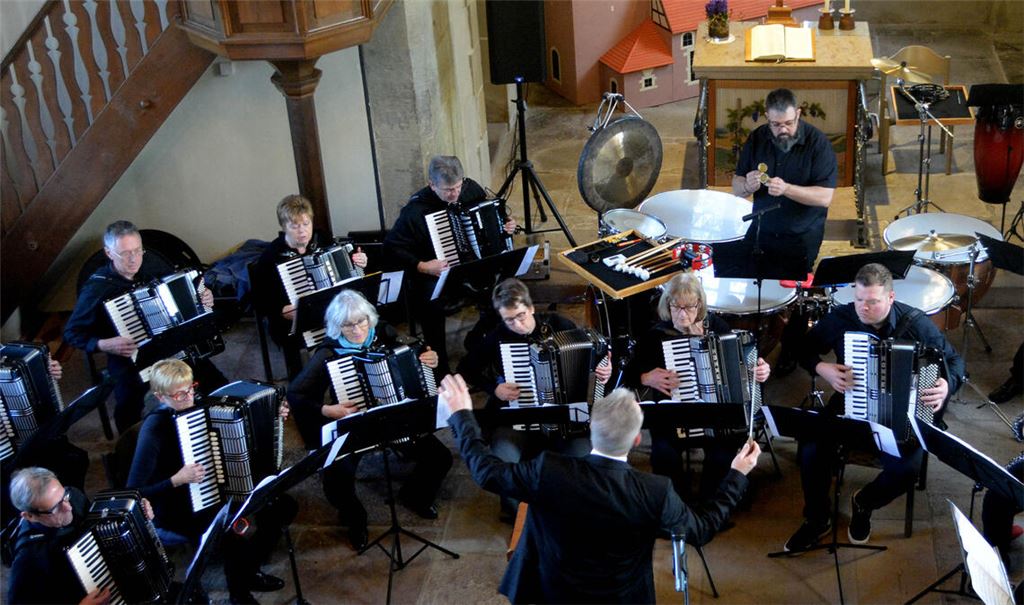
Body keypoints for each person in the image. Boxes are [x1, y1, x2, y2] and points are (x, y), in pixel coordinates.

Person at [440, 375, 759, 603]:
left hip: (550, 592)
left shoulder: (548, 470)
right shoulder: (655, 491)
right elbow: (701, 529)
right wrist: (736, 475)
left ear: (591, 430)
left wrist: (462, 416)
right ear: (636, 441)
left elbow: (485, 471)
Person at [783, 263, 965, 553]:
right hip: (850, 404)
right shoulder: (842, 318)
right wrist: (821, 367)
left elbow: (955, 362)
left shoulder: (915, 323)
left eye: (872, 302)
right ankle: (817, 519)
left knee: (907, 470)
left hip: (900, 415)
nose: (863, 308)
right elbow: (800, 347)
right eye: (858, 299)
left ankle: (864, 503)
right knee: (811, 447)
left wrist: (947, 385)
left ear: (890, 298)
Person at [287, 289, 452, 550]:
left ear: (369, 319)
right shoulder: (328, 354)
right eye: (347, 325)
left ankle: (415, 496)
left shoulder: (383, 334)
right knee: (336, 477)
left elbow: (418, 350)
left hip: (393, 418)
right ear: (336, 326)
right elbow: (295, 393)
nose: (356, 330)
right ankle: (355, 519)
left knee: (440, 457)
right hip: (355, 422)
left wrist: (430, 357)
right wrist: (327, 411)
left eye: (361, 321)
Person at [126, 359, 295, 604]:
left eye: (190, 389)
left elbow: (242, 420)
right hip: (177, 506)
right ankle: (239, 594)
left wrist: (274, 414)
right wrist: (176, 479)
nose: (188, 398)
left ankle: (248, 571)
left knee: (281, 507)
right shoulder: (155, 428)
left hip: (219, 488)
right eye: (179, 395)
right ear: (160, 397)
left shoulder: (203, 404)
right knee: (232, 531)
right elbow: (135, 491)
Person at [457, 278, 611, 519]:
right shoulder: (498, 336)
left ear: (530, 308)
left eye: (520, 316)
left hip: (564, 418)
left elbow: (594, 358)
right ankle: (517, 516)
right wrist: (493, 389)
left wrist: (604, 368)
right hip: (517, 415)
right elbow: (467, 368)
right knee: (502, 458)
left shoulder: (560, 325)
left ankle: (571, 513)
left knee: (586, 458)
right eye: (509, 320)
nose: (517, 325)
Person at [63, 220, 227, 432]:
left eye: (137, 251)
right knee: (129, 408)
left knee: (219, 385)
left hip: (173, 347)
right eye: (125, 253)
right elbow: (71, 333)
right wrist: (104, 344)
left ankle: (212, 427)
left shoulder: (154, 265)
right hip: (129, 359)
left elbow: (183, 294)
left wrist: (203, 298)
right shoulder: (96, 288)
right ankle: (129, 447)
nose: (133, 259)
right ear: (109, 253)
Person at [624, 272, 770, 499]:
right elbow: (628, 372)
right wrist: (645, 377)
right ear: (667, 305)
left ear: (699, 305)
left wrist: (760, 370)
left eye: (689, 307)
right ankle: (675, 507)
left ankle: (710, 508)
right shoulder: (656, 336)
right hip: (673, 417)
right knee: (664, 454)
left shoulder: (719, 328)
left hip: (717, 416)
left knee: (723, 455)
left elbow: (743, 366)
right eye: (676, 307)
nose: (682, 314)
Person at [731, 88, 838, 374]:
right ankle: (757, 346)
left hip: (801, 233)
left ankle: (791, 351)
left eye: (788, 123)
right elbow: (736, 187)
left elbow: (825, 197)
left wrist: (788, 189)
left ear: (798, 114)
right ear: (767, 117)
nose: (782, 130)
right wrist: (748, 185)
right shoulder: (757, 139)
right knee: (757, 285)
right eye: (776, 124)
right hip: (762, 228)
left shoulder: (817, 143)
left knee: (796, 297)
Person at [383, 155, 516, 375]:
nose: (455, 194)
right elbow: (391, 248)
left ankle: (483, 342)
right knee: (430, 302)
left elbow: (495, 216)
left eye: (457, 186)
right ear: (432, 185)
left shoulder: (470, 189)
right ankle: (440, 369)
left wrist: (506, 225)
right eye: (448, 190)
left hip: (473, 267)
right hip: (435, 274)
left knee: (505, 287)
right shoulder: (415, 211)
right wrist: (423, 266)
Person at [253, 195, 369, 379]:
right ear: (284, 228)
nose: (302, 231)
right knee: (306, 356)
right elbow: (258, 301)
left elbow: (346, 265)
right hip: (292, 322)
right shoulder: (271, 257)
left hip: (330, 313)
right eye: (295, 226)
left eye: (306, 224)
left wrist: (359, 261)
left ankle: (348, 381)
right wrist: (281, 310)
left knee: (361, 327)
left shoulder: (321, 239)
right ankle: (305, 387)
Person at [6, 467, 120, 605]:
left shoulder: (73, 496)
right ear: (30, 516)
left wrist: (138, 515)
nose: (68, 507)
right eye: (55, 508)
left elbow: (98, 527)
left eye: (64, 496)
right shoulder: (28, 559)